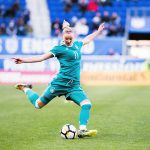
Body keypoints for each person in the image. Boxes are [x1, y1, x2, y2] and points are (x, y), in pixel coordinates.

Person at [12, 20, 105, 138]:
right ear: (63, 37)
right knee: (38, 104)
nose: (68, 40)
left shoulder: (77, 45)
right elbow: (41, 58)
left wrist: (97, 32)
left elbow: (87, 39)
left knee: (87, 105)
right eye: (66, 39)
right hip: (59, 84)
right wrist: (23, 60)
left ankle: (82, 130)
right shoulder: (59, 48)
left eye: (70, 38)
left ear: (73, 36)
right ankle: (25, 88)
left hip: (74, 86)